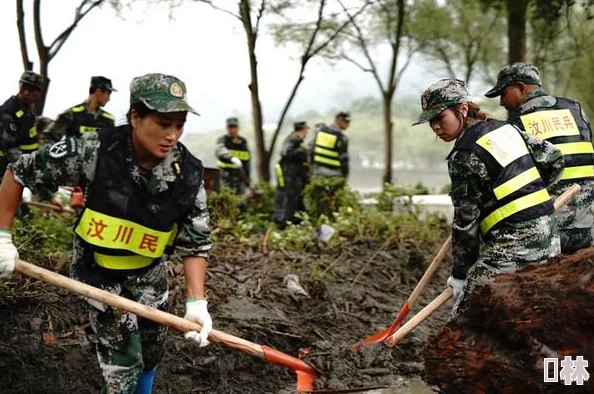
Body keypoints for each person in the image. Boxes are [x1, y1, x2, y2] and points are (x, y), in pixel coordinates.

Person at [0, 73, 213, 393]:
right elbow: (18, 171)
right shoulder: (94, 151)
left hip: (148, 271)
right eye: (164, 123)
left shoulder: (188, 174)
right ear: (135, 117)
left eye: (179, 124)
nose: (172, 135)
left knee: (152, 349)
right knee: (123, 360)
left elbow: (195, 243)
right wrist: (3, 237)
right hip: (98, 273)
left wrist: (197, 302)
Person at [412, 78, 563, 311]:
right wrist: (534, 198)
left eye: (440, 118)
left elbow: (465, 223)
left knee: (467, 316)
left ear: (462, 109)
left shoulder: (462, 156)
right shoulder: (504, 128)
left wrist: (460, 276)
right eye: (430, 121)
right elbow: (553, 158)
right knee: (523, 313)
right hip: (550, 238)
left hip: (514, 248)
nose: (435, 127)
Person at [485, 62, 594, 254]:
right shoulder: (574, 109)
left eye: (503, 93)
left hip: (553, 225)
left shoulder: (516, 124)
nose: (501, 102)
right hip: (590, 221)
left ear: (520, 87)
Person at [0, 71, 44, 179]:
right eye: (24, 86)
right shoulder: (8, 111)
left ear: (39, 92)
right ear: (19, 84)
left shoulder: (28, 114)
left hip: (13, 174)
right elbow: (10, 148)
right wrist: (32, 170)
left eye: (32, 89)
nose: (26, 92)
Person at [44, 76, 116, 139]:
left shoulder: (108, 120)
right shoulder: (71, 114)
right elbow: (49, 137)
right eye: (108, 94)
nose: (108, 99)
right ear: (98, 91)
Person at [272, 121, 310, 228]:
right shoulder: (293, 139)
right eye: (306, 130)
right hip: (291, 178)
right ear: (303, 130)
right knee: (290, 202)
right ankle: (285, 224)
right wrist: (304, 151)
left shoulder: (298, 141)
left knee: (298, 202)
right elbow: (286, 152)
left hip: (297, 178)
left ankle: (298, 223)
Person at [215, 117, 251, 194]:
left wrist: (248, 182)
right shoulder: (223, 140)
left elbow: (247, 162)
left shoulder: (243, 142)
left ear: (238, 128)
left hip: (240, 179)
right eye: (230, 127)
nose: (232, 130)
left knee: (241, 203)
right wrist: (231, 158)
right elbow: (220, 150)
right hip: (225, 179)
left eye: (234, 127)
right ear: (227, 128)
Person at [310, 111, 350, 179]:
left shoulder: (320, 131)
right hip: (334, 175)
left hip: (317, 173)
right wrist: (345, 176)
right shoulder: (342, 138)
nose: (348, 124)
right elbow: (344, 159)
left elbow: (311, 150)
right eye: (346, 121)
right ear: (339, 120)